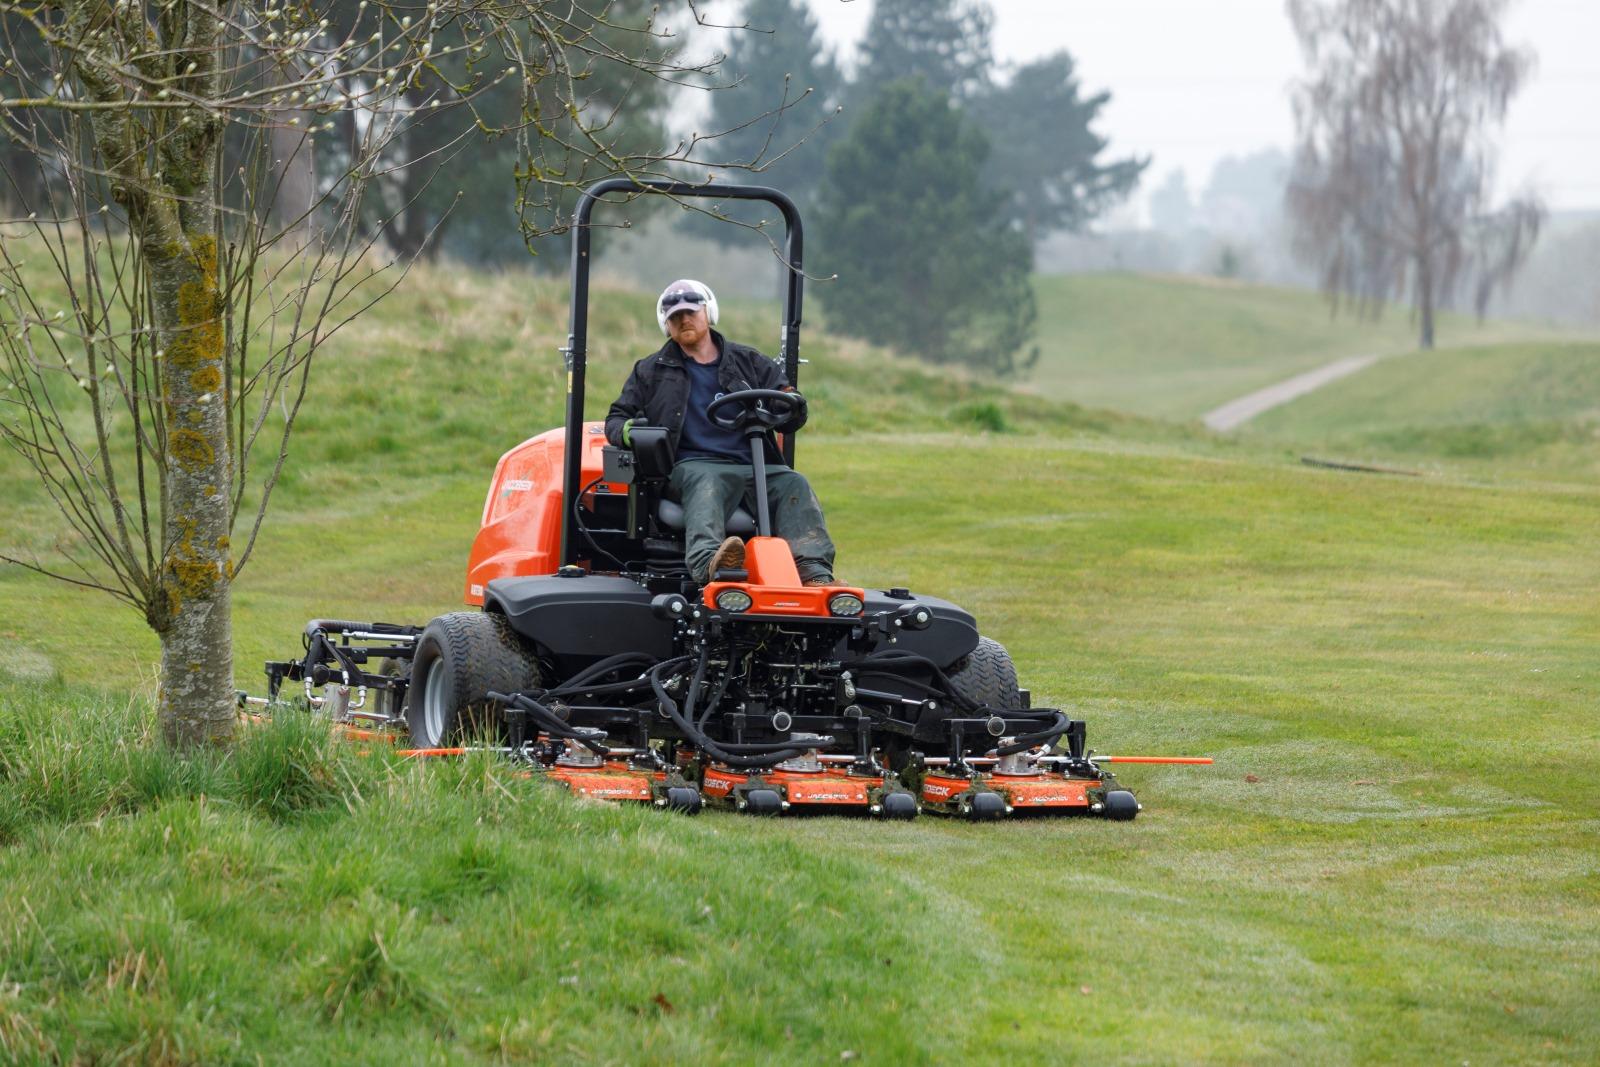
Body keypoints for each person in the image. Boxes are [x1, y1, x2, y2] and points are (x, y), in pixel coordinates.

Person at [605, 279, 837, 586]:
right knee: (708, 479)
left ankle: (814, 573)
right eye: (675, 316)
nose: (684, 320)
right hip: (689, 467)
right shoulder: (650, 371)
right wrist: (630, 432)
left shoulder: (749, 362)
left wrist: (791, 404)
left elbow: (788, 400)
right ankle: (710, 564)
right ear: (666, 324)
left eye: (690, 312)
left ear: (708, 312)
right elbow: (616, 420)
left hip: (753, 465)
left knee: (793, 481)